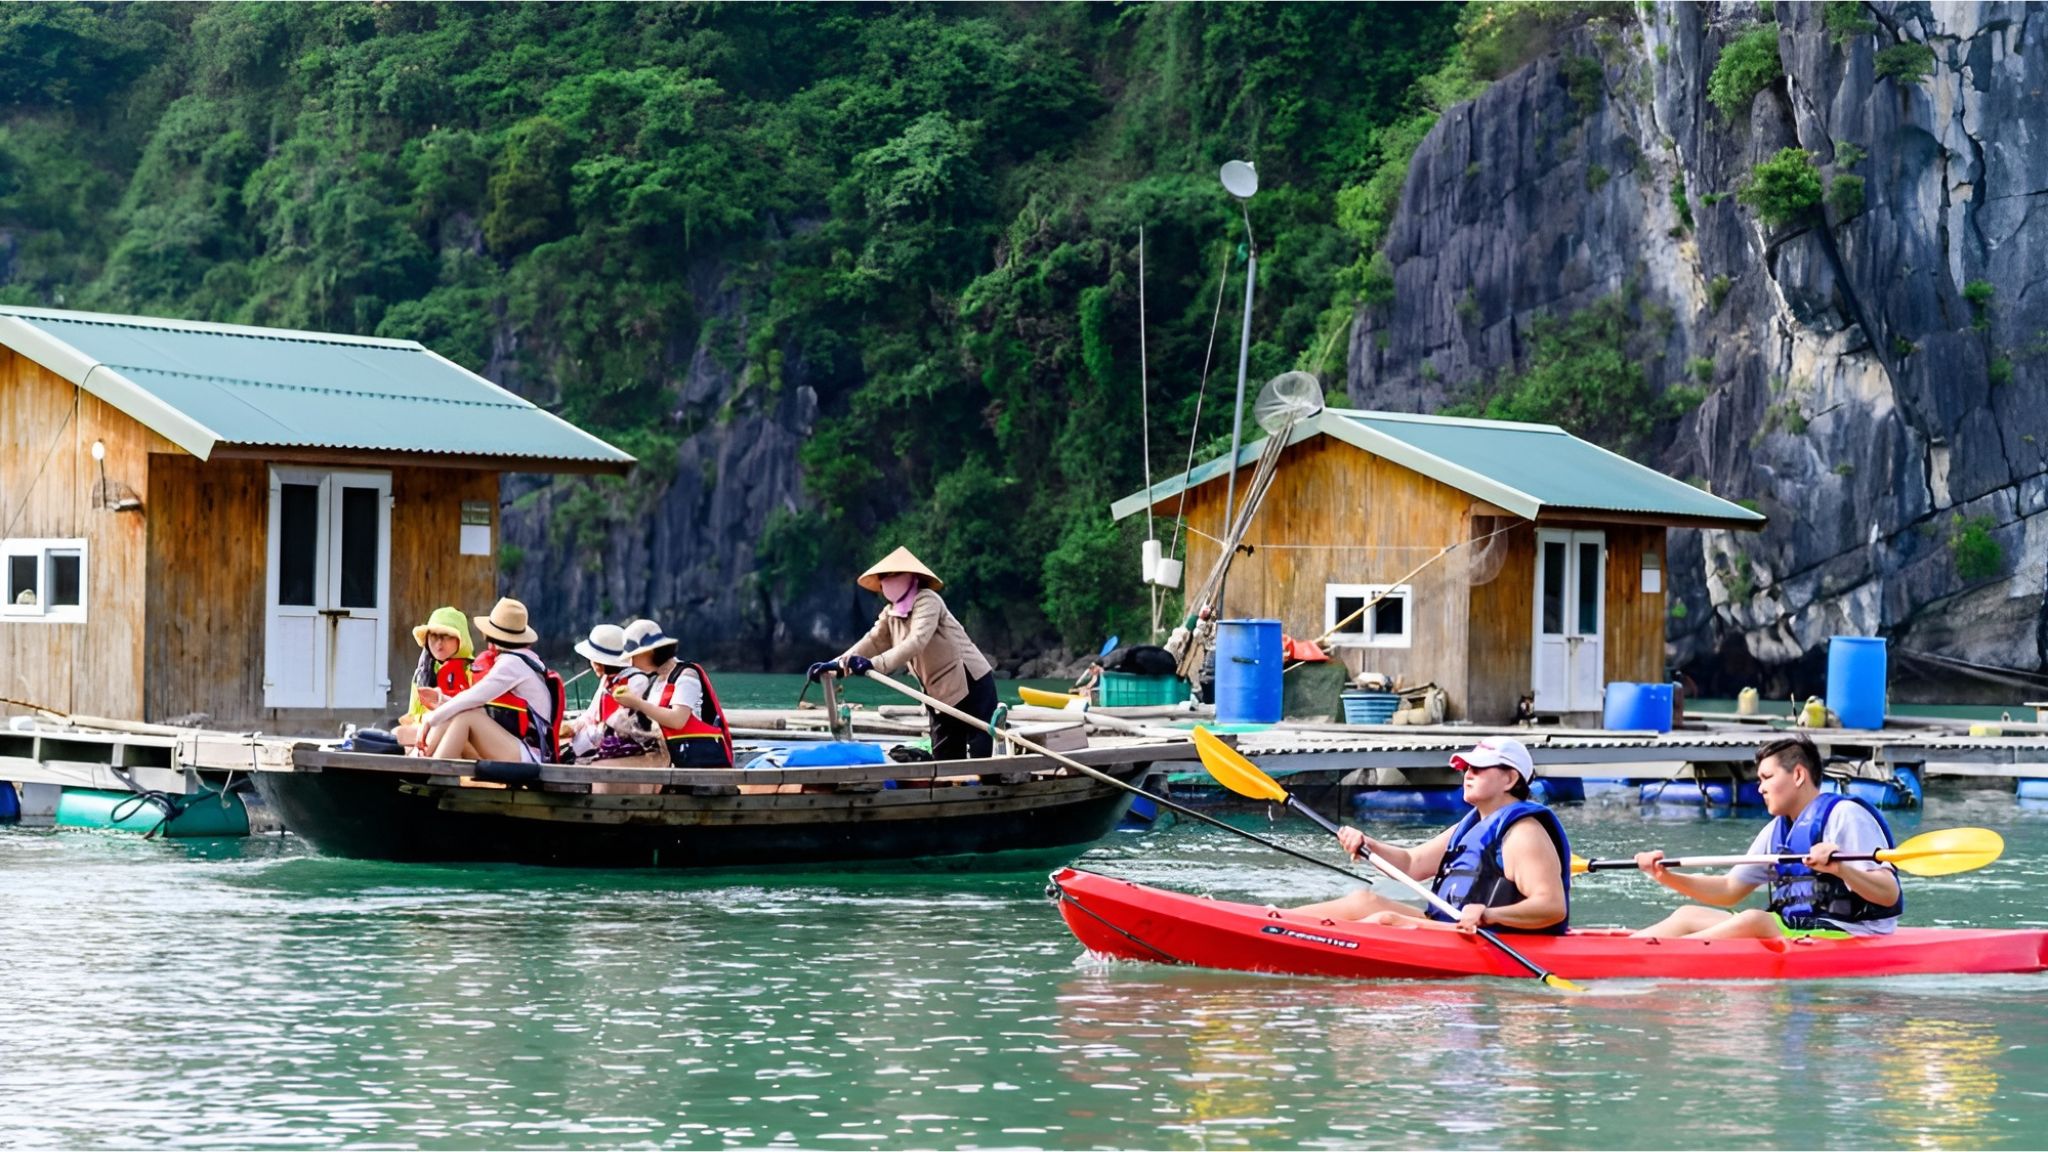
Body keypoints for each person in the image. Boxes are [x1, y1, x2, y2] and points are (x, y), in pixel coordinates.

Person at [1632, 735, 1902, 940]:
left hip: (1854, 933)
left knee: (1755, 920)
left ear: (1797, 775)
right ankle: (1631, 948)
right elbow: (1729, 890)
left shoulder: (1846, 816)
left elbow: (1888, 894)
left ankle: (1656, 957)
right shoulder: (1777, 829)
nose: (1760, 788)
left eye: (1766, 777)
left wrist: (1841, 868)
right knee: (1688, 915)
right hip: (1798, 929)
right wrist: (1664, 875)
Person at [1293, 736, 1570, 934]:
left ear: (1509, 779)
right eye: (1466, 768)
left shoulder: (1524, 834)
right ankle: (1272, 921)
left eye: (1478, 768)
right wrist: (1367, 844)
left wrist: (1489, 914)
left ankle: (1295, 941)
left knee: (1386, 920)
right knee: (1364, 901)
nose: (1467, 775)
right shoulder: (1470, 825)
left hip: (1487, 937)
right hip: (1449, 926)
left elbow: (1552, 906)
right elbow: (1411, 864)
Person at [809, 546, 998, 762]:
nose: (889, 581)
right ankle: (954, 792)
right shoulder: (891, 613)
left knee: (981, 749)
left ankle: (986, 789)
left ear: (911, 577)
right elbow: (874, 640)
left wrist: (873, 664)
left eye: (894, 575)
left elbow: (916, 641)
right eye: (885, 577)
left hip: (969, 680)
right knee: (945, 756)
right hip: (937, 691)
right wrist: (835, 666)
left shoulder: (928, 600)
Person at [419, 597, 563, 764]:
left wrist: (430, 719)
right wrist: (440, 700)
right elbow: (479, 703)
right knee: (460, 713)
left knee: (466, 718)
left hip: (531, 755)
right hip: (522, 747)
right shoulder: (522, 659)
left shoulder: (512, 664)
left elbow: (476, 697)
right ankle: (421, 760)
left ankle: (432, 773)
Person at [609, 618, 734, 768]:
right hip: (669, 759)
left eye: (634, 656)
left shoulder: (687, 675)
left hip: (695, 762)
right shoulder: (655, 682)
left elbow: (677, 720)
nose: (631, 663)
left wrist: (637, 703)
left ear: (649, 652)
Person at [560, 622, 657, 762]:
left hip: (622, 745)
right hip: (598, 740)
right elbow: (591, 714)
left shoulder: (637, 681)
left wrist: (582, 735)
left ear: (600, 662)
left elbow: (619, 724)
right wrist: (572, 727)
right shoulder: (608, 679)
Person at [394, 606, 473, 753]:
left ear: (461, 639)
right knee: (397, 734)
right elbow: (414, 715)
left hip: (460, 733)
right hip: (426, 730)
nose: (438, 644)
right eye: (433, 636)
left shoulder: (472, 670)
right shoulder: (422, 672)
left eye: (446, 636)